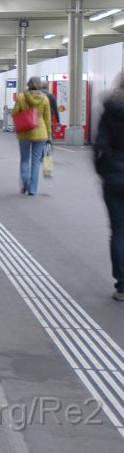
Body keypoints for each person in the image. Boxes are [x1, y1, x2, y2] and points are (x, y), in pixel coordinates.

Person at [94, 73, 124, 301]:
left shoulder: (111, 109)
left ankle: (122, 286)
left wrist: (105, 172)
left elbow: (100, 146)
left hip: (115, 178)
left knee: (119, 232)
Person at [12, 76, 52, 196]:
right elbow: (47, 118)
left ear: (28, 84)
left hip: (24, 132)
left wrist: (23, 114)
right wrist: (49, 135)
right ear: (39, 85)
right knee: (35, 162)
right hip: (41, 132)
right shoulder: (45, 99)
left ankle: (24, 181)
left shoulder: (21, 97)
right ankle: (32, 189)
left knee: (24, 159)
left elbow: (14, 113)